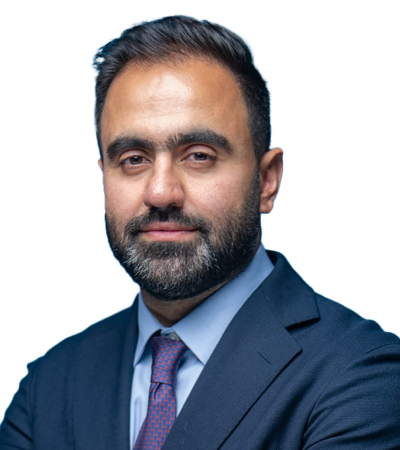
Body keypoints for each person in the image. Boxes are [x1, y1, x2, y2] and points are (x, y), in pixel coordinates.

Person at [1, 15, 399, 450]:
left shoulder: (363, 376)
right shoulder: (48, 387)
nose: (160, 192)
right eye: (133, 159)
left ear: (267, 181)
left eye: (199, 155)